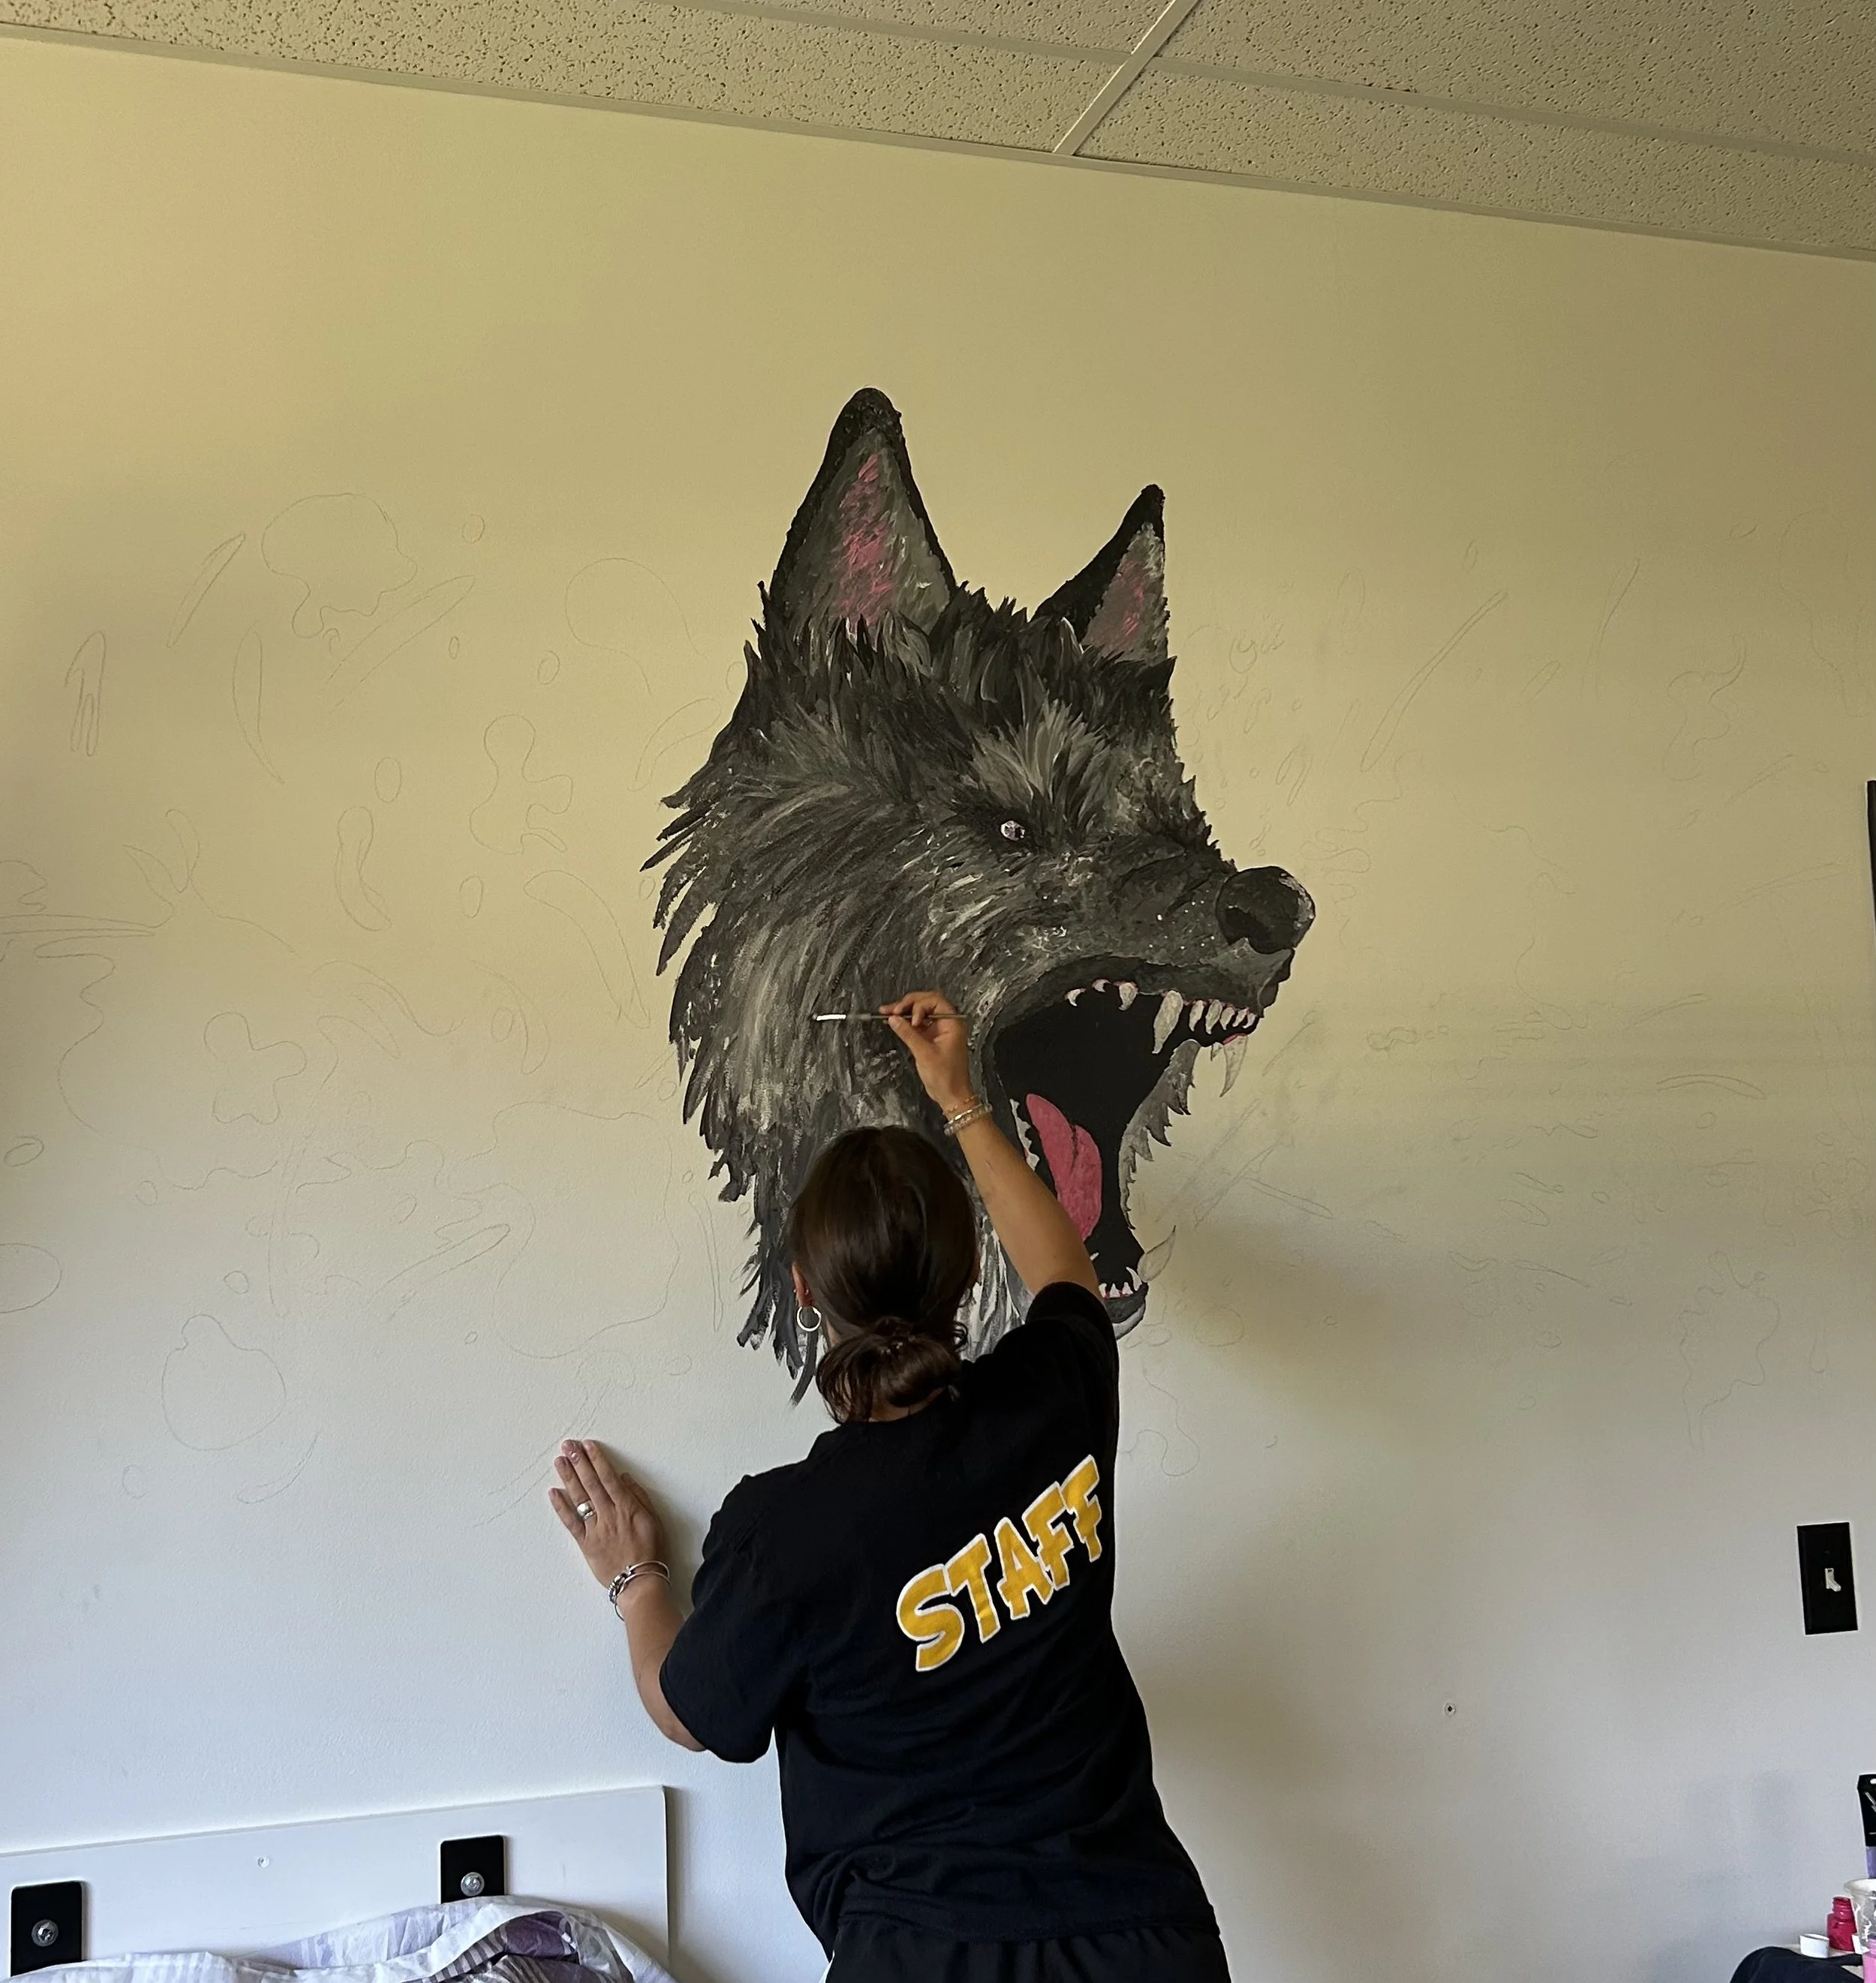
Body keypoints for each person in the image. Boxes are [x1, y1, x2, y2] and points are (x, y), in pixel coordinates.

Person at [551, 991, 1227, 1981]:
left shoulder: (786, 1530)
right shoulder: (1058, 1396)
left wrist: (637, 1578)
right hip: (1143, 1941)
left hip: (923, 1955)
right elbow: (1063, 1270)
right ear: (963, 1280)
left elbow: (690, 1712)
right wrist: (959, 1096)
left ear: (802, 1287)